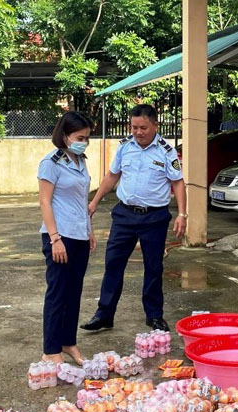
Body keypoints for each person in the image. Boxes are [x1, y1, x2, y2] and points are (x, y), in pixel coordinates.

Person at [81, 104, 187, 333]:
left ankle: (154, 316)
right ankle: (104, 314)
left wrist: (182, 213)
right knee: (113, 265)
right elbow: (112, 176)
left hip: (154, 218)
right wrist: (94, 202)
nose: (138, 132)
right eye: (134, 127)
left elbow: (178, 181)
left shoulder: (166, 150)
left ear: (155, 126)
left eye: (143, 128)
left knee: (153, 267)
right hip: (124, 215)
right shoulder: (125, 147)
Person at [37, 111, 96, 365]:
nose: (84, 141)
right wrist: (55, 238)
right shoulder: (51, 162)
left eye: (87, 138)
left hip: (79, 235)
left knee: (74, 293)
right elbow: (44, 202)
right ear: (65, 136)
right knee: (58, 294)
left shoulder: (81, 161)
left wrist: (90, 231)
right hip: (60, 237)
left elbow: (81, 200)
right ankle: (51, 350)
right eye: (80, 137)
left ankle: (68, 343)